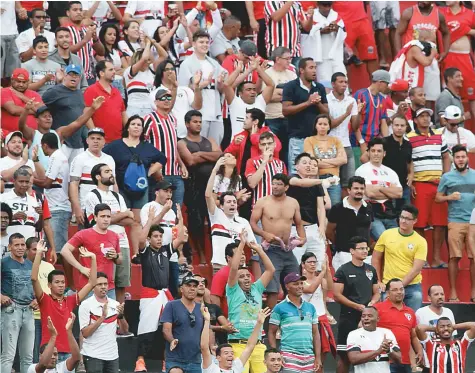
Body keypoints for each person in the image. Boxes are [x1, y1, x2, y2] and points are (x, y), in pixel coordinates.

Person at [32, 240, 97, 362]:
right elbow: (34, 278)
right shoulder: (45, 300)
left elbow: (92, 283)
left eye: (63, 282)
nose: (61, 285)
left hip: (68, 352)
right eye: (57, 282)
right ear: (49, 285)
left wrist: (93, 258)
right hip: (49, 351)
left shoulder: (71, 300)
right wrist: (38, 254)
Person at [250, 173, 306, 309]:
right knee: (272, 290)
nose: (275, 187)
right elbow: (252, 223)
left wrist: (302, 238)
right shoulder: (263, 202)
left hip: (287, 249)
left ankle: (293, 317)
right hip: (270, 250)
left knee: (295, 283)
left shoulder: (293, 202)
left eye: (279, 184)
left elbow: (299, 224)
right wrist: (264, 233)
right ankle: (270, 325)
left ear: (286, 187)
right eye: (273, 183)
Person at [407, 108, 451, 268]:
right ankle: (422, 258)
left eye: (427, 116)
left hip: (439, 184)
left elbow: (446, 156)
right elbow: (407, 161)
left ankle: (436, 259)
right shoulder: (409, 138)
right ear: (415, 120)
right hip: (420, 184)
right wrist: (410, 181)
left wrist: (446, 178)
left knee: (440, 223)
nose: (425, 119)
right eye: (421, 116)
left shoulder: (440, 136)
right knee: (420, 224)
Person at [85, 163, 134, 305]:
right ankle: (103, 313)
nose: (111, 174)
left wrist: (113, 218)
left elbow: (130, 220)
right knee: (105, 283)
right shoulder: (92, 196)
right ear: (98, 176)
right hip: (103, 244)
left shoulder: (117, 196)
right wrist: (123, 214)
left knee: (121, 283)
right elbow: (97, 221)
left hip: (123, 242)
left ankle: (118, 316)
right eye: (107, 171)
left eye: (111, 171)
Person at [103, 115, 166, 225]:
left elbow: (162, 158)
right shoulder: (115, 145)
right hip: (121, 188)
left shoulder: (147, 147)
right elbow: (102, 156)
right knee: (121, 219)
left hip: (141, 189)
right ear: (127, 128)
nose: (136, 127)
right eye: (133, 124)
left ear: (142, 130)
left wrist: (149, 172)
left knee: (139, 221)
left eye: (139, 125)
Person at [226, 235, 275, 373]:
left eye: (248, 275)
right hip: (238, 344)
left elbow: (271, 270)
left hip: (258, 345)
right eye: (242, 277)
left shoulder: (256, 288)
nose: (246, 278)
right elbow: (234, 268)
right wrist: (242, 244)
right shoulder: (232, 290)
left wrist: (259, 250)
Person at [178, 110, 222, 263]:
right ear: (187, 124)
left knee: (212, 221)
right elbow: (190, 161)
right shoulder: (182, 142)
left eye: (200, 121)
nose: (198, 124)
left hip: (210, 187)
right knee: (196, 221)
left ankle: (215, 255)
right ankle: (199, 254)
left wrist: (199, 154)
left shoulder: (209, 139)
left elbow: (220, 155)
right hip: (193, 187)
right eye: (195, 121)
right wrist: (209, 156)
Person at [332, 236, 379, 373]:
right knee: (344, 357)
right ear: (352, 251)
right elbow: (337, 295)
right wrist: (356, 306)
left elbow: (376, 292)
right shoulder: (343, 270)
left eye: (366, 248)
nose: (365, 251)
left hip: (368, 319)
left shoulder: (371, 270)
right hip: (349, 317)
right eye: (361, 248)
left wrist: (373, 302)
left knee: (369, 354)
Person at [436, 145, 475, 302]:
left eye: (463, 157)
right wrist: (449, 198)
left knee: (474, 258)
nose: (460, 160)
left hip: (473, 222)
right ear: (454, 159)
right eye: (457, 157)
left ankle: (474, 292)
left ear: (467, 158)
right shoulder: (447, 177)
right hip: (455, 221)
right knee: (454, 257)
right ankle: (453, 292)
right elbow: (438, 198)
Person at [372, 205, 427, 311]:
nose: (403, 221)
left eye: (407, 219)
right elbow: (375, 259)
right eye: (402, 217)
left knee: (412, 315)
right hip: (389, 285)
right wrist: (378, 281)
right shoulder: (386, 234)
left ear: (414, 221)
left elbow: (416, 269)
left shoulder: (421, 241)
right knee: (387, 318)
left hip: (412, 285)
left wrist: (400, 286)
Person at [205, 159, 256, 271]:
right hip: (220, 266)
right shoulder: (216, 216)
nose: (232, 204)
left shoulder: (243, 222)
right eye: (228, 202)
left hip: (239, 268)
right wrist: (214, 170)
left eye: (234, 201)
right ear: (221, 206)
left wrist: (261, 247)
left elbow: (253, 245)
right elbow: (208, 196)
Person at [61, 204, 121, 298]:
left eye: (108, 216)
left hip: (109, 287)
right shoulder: (84, 234)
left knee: (110, 313)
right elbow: (64, 251)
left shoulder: (114, 235)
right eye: (102, 216)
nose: (106, 219)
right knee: (89, 312)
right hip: (89, 286)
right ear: (95, 217)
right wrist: (80, 268)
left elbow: (119, 260)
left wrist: (116, 256)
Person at [178, 29, 226, 145]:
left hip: (215, 111)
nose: (205, 45)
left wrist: (220, 83)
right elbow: (183, 90)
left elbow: (221, 89)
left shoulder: (214, 63)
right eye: (201, 42)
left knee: (215, 145)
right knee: (198, 145)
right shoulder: (187, 63)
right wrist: (200, 85)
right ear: (194, 44)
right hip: (198, 112)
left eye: (206, 42)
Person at [395, 1, 450, 102]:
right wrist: (400, 53)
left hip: (430, 59)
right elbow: (398, 33)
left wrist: (445, 52)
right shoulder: (409, 12)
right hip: (413, 59)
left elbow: (446, 33)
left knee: (430, 96)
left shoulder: (438, 15)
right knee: (411, 94)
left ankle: (428, 117)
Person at [268, 272, 322, 373]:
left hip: (309, 356)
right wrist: (276, 355)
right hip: (288, 355)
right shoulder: (279, 307)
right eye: (296, 284)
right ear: (287, 286)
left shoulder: (311, 307)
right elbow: (271, 332)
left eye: (301, 283)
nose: (300, 286)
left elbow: (316, 333)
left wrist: (317, 357)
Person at [282, 57, 328, 173]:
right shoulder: (290, 86)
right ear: (301, 70)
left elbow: (326, 113)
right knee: (296, 172)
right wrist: (308, 103)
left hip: (316, 139)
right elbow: (285, 110)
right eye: (311, 68)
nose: (314, 71)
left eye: (315, 68)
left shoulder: (319, 87)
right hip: (298, 138)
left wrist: (317, 103)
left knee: (315, 172)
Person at [144, 88, 188, 205]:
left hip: (175, 172)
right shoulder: (150, 118)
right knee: (158, 208)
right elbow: (142, 145)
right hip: (160, 173)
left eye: (169, 97)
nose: (167, 100)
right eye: (163, 98)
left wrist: (182, 165)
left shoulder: (173, 119)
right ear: (156, 102)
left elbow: (172, 145)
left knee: (176, 208)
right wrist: (154, 168)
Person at [79, 272, 129, 373]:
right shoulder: (86, 305)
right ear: (93, 287)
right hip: (92, 355)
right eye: (99, 284)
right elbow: (85, 333)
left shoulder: (115, 304)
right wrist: (102, 318)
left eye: (105, 284)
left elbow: (125, 331)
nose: (103, 287)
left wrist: (121, 316)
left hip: (112, 356)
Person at [32, 133, 72, 261]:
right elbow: (46, 179)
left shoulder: (56, 157)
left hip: (58, 208)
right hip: (56, 207)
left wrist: (30, 179)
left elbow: (46, 183)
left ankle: (70, 281)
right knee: (43, 247)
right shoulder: (59, 157)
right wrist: (36, 160)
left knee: (61, 251)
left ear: (44, 145)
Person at [1, 233, 36, 373]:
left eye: (23, 245)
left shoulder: (30, 264)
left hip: (28, 310)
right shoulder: (3, 262)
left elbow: (35, 285)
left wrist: (36, 299)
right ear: (9, 247)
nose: (20, 248)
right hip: (10, 310)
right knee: (8, 356)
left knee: (28, 356)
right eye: (16, 245)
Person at [355, 138, 402, 240]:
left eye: (379, 151)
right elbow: (370, 193)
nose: (376, 154)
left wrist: (380, 188)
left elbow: (399, 193)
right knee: (385, 241)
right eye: (373, 151)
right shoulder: (362, 170)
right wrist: (389, 191)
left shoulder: (390, 172)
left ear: (384, 153)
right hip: (371, 213)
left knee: (397, 242)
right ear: (368, 152)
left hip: (389, 212)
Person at [201, 305, 271, 373]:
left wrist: (259, 323)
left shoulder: (236, 368)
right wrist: (207, 321)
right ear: (218, 357)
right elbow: (204, 347)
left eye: (232, 353)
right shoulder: (212, 369)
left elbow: (250, 347)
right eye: (226, 353)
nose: (230, 355)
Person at [69, 127, 116, 228]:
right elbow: (73, 185)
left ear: (104, 141)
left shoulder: (109, 159)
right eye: (92, 138)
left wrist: (117, 204)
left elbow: (114, 183)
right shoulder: (79, 159)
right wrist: (77, 208)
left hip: (108, 208)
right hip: (87, 208)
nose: (95, 141)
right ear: (87, 140)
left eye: (99, 139)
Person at [42, 64, 89, 162]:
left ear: (80, 78)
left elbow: (81, 115)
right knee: (60, 173)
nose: (74, 77)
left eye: (76, 75)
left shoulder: (79, 93)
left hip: (77, 142)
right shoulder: (55, 91)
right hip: (62, 142)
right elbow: (39, 106)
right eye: (71, 74)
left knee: (75, 175)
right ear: (65, 76)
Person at [375, 279, 424, 373]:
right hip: (386, 360)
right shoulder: (378, 308)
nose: (399, 292)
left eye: (401, 289)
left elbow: (413, 336)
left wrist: (419, 350)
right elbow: (364, 328)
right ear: (388, 293)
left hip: (406, 362)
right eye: (395, 290)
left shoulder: (410, 311)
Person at [286, 153, 326, 266]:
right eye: (304, 163)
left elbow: (320, 208)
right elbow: (300, 183)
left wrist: (322, 227)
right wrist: (323, 181)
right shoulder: (291, 178)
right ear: (296, 166)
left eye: (310, 163)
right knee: (295, 265)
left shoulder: (316, 183)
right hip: (296, 230)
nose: (308, 166)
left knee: (319, 264)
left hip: (313, 228)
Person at [326, 176, 373, 270]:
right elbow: (329, 232)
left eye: (362, 188)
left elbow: (368, 228)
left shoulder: (368, 207)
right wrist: (341, 244)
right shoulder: (337, 208)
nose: (359, 191)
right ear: (348, 190)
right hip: (344, 254)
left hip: (365, 255)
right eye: (356, 188)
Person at [327, 72, 363, 192]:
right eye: (340, 82)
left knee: (349, 183)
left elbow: (355, 126)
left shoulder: (351, 101)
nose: (344, 85)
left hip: (346, 145)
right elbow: (330, 125)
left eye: (346, 82)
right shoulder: (327, 100)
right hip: (329, 146)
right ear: (333, 84)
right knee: (331, 182)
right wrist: (346, 114)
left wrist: (358, 112)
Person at [160, 274, 204, 373]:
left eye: (194, 286)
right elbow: (166, 329)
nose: (192, 289)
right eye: (188, 286)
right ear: (181, 289)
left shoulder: (201, 308)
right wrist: (172, 340)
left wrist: (211, 346)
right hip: (175, 359)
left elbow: (207, 330)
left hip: (195, 360)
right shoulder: (171, 305)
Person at [151, 58, 204, 138]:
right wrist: (174, 89)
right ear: (161, 73)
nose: (170, 71)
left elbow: (197, 106)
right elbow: (166, 111)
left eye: (172, 69)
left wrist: (196, 87)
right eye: (167, 69)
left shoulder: (185, 89)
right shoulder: (155, 93)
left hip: (187, 136)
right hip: (168, 135)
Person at [222, 58, 275, 138]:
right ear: (240, 93)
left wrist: (258, 69)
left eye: (254, 89)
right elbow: (227, 85)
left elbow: (271, 85)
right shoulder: (235, 102)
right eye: (248, 90)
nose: (253, 92)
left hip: (257, 145)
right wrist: (239, 70)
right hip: (238, 145)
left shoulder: (260, 101)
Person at [441, 1, 475, 120]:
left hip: (465, 57)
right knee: (448, 92)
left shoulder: (470, 14)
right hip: (448, 56)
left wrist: (467, 30)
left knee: (472, 96)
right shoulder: (440, 12)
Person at [301, 253, 337, 366]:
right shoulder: (300, 281)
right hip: (307, 319)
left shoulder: (321, 280)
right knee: (309, 350)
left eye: (314, 262)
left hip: (321, 317)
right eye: (309, 262)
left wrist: (327, 269)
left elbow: (330, 288)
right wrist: (322, 272)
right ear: (303, 264)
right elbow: (311, 289)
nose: (312, 264)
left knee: (323, 351)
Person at [263, 46, 297, 163]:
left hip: (289, 118)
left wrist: (279, 93)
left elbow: (297, 96)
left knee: (289, 150)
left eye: (290, 58)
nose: (290, 61)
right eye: (287, 58)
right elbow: (265, 97)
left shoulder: (292, 75)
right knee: (273, 149)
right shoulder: (267, 74)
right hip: (271, 118)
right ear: (277, 59)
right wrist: (286, 96)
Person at [304, 114, 347, 205]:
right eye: (320, 124)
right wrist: (335, 162)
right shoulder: (309, 140)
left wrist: (320, 161)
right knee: (318, 207)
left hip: (334, 179)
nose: (322, 127)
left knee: (334, 208)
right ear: (315, 126)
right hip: (316, 179)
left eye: (325, 124)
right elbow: (312, 162)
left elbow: (343, 160)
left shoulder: (336, 140)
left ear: (329, 126)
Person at [225, 108, 282, 176]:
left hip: (262, 175)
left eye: (247, 118)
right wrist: (235, 144)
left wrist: (254, 136)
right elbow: (226, 155)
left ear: (255, 121)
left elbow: (276, 148)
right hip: (242, 176)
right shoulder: (240, 136)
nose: (244, 121)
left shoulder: (268, 133)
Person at [351, 70, 390, 169]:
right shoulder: (360, 94)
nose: (387, 86)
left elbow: (383, 122)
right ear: (380, 82)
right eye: (387, 83)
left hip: (374, 142)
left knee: (374, 170)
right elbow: (353, 122)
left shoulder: (382, 99)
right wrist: (362, 143)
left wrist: (386, 141)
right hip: (357, 142)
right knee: (360, 170)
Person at [347, 307, 402, 373]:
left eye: (370, 316)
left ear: (377, 319)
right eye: (363, 316)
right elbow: (354, 359)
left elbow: (399, 359)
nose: (366, 318)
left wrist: (388, 350)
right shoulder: (354, 334)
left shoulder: (387, 333)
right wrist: (378, 351)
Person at [84, 60, 127, 144]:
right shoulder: (91, 90)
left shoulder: (116, 91)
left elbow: (123, 113)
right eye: (110, 70)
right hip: (101, 142)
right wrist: (95, 135)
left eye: (114, 69)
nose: (114, 72)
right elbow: (86, 116)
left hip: (119, 140)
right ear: (101, 73)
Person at [416, 284, 457, 371]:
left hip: (446, 359)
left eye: (442, 294)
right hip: (428, 359)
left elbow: (452, 336)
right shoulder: (421, 312)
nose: (440, 297)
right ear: (429, 298)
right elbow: (416, 334)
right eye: (436, 294)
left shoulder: (448, 312)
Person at [302, 1, 346, 81]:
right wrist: (321, 31)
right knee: (325, 81)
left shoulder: (335, 15)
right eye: (324, 5)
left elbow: (343, 32)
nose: (327, 8)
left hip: (335, 55)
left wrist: (337, 29)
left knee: (341, 78)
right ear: (318, 4)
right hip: (320, 57)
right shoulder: (312, 15)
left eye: (329, 5)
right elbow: (305, 34)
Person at [332, 1, 378, 76]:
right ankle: (344, 87)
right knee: (344, 58)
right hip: (344, 22)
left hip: (362, 20)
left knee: (371, 56)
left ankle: (377, 86)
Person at [65, 1, 105, 85]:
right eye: (75, 10)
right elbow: (67, 51)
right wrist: (85, 40)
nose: (79, 12)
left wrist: (95, 39)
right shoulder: (65, 30)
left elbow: (101, 52)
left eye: (80, 9)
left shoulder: (87, 30)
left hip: (90, 77)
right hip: (72, 76)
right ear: (68, 13)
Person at [210, 242, 253, 318]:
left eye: (243, 254)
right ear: (228, 258)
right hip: (229, 321)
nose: (242, 257)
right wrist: (221, 321)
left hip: (247, 320)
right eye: (238, 254)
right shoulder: (221, 274)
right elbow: (215, 299)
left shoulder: (249, 275)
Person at [380, 116, 413, 213]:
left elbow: (410, 162)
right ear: (392, 126)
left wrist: (411, 175)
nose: (399, 128)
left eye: (402, 125)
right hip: (388, 187)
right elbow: (365, 157)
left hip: (404, 187)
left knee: (406, 216)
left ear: (406, 127)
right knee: (391, 217)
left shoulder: (408, 144)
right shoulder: (384, 142)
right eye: (396, 125)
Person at [0, 166, 43, 241]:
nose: (24, 185)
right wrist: (12, 218)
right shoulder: (3, 198)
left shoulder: (33, 200)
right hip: (7, 243)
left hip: (28, 245)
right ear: (14, 181)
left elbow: (38, 228)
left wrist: (41, 216)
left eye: (26, 182)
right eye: (21, 181)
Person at [1, 68, 43, 134]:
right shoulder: (4, 91)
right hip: (11, 138)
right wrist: (35, 111)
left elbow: (42, 111)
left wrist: (22, 97)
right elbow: (13, 110)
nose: (21, 85)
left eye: (24, 82)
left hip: (32, 138)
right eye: (18, 81)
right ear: (12, 80)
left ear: (28, 81)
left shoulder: (34, 94)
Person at [48, 27, 89, 91]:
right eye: (61, 37)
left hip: (75, 97)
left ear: (71, 39)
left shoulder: (76, 59)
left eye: (67, 36)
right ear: (56, 40)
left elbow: (84, 85)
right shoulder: (49, 58)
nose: (65, 39)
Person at [0, 1, 21, 80]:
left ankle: (13, 91)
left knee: (14, 71)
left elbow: (18, 8)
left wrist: (21, 11)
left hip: (13, 32)